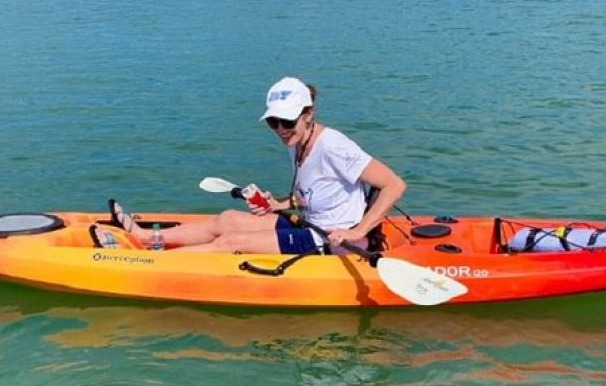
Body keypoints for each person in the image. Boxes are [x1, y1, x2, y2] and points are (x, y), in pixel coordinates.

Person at [91, 76, 406, 254]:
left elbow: (393, 184)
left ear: (308, 114)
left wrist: (357, 230)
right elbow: (310, 196)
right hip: (310, 222)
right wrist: (279, 203)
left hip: (329, 239)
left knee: (232, 242)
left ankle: (151, 263)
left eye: (286, 120)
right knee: (227, 219)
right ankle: (146, 239)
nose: (280, 128)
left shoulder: (333, 145)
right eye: (273, 122)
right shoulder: (296, 140)